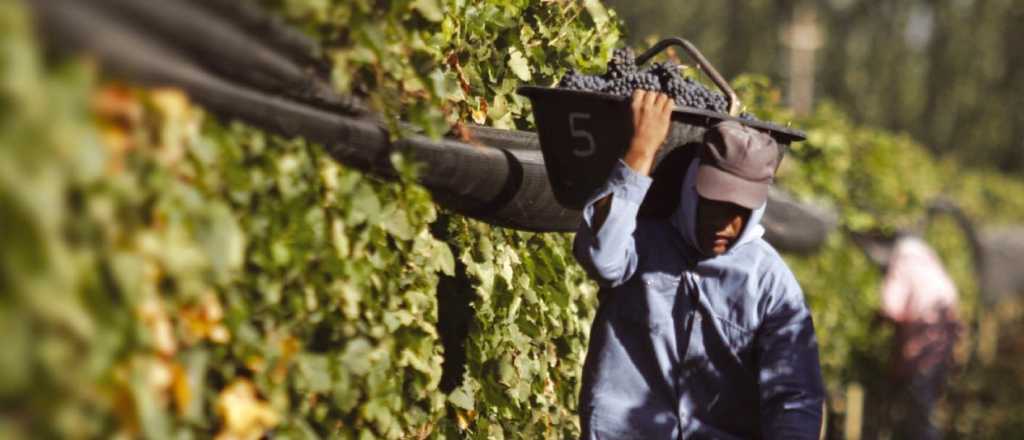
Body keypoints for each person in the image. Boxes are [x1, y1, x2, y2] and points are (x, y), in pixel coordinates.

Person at [572, 90, 826, 439]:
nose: (725, 224)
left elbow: (795, 399)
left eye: (740, 212)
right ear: (692, 188)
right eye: (715, 203)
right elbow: (601, 257)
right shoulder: (643, 242)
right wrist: (641, 151)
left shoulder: (771, 286)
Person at [877, 235, 961, 440]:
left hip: (923, 345)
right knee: (927, 404)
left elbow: (891, 308)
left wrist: (875, 325)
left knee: (919, 411)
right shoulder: (931, 264)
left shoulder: (903, 260)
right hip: (941, 346)